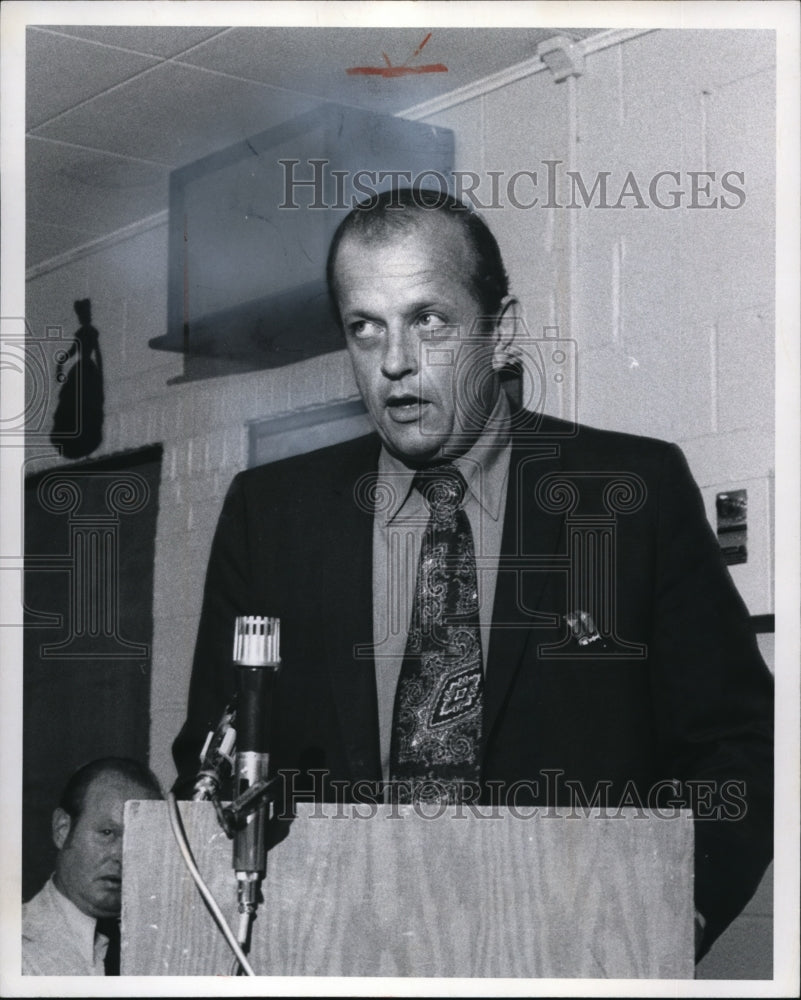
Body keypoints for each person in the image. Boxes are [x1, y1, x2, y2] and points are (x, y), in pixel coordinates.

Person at [172, 187, 773, 960]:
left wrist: (666, 917)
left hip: (568, 954)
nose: (393, 362)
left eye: (429, 321)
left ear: (502, 329)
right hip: (335, 952)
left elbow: (741, 742)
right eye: (365, 327)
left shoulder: (630, 493)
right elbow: (211, 752)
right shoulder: (271, 513)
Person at [22, 757, 162, 976]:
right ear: (62, 830)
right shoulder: (14, 947)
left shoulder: (162, 946)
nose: (122, 855)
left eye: (139, 838)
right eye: (107, 833)